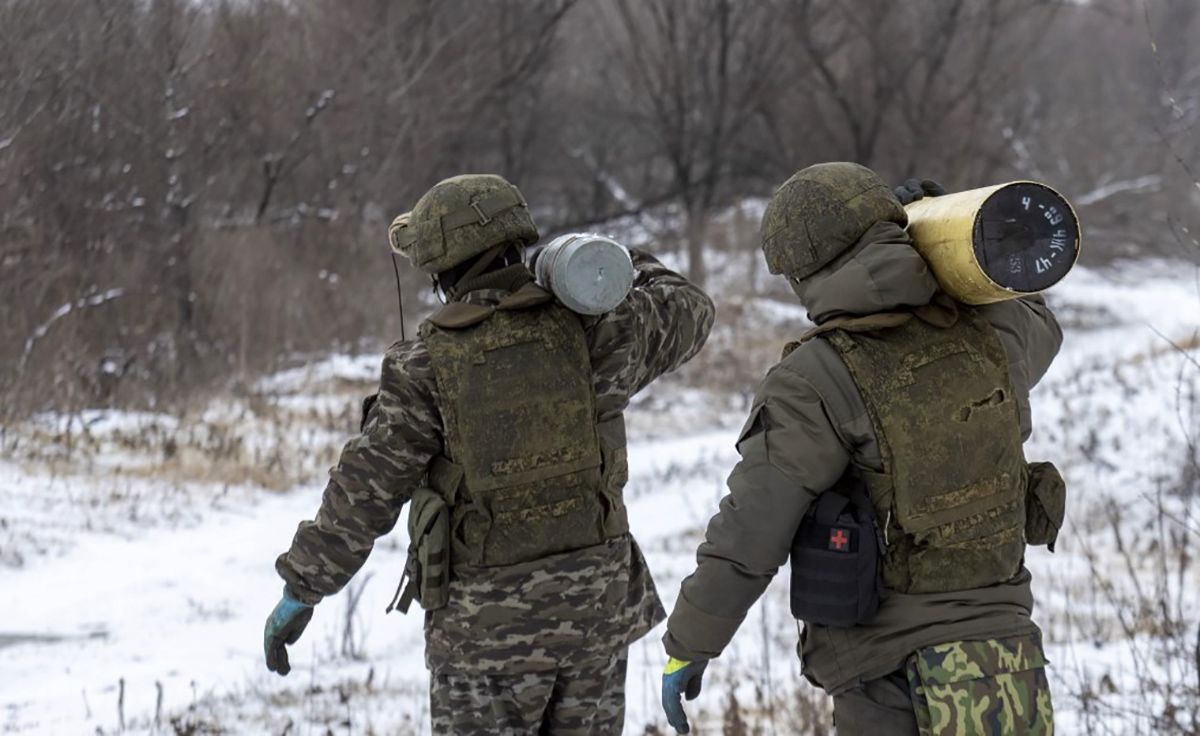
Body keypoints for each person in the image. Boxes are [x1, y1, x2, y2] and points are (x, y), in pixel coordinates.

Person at [263, 173, 715, 734]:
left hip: (483, 641)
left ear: (441, 272)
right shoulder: (600, 334)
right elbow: (690, 306)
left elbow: (364, 490)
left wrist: (303, 587)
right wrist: (605, 262)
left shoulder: (425, 366)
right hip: (593, 623)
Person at [660, 163, 1064, 735]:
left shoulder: (816, 377)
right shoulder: (989, 336)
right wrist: (967, 246)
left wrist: (690, 643)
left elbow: (751, 528)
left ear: (801, 272)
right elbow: (1037, 311)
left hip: (890, 676)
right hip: (1010, 662)